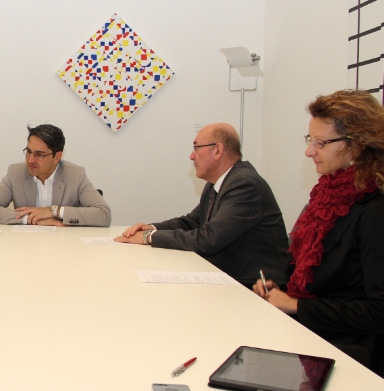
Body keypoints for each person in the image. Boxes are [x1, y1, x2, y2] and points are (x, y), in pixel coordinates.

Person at [252, 90, 384, 369]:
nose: (309, 151)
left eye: (320, 142)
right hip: (314, 339)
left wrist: (295, 305)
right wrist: (283, 291)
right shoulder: (327, 196)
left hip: (353, 357)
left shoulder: (375, 210)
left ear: (356, 145)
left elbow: (378, 312)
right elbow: (324, 283)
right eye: (310, 140)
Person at [117, 123, 288, 288]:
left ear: (218, 150)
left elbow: (209, 239)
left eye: (196, 148)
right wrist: (151, 228)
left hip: (256, 288)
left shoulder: (244, 185)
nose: (191, 156)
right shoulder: (217, 184)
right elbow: (191, 222)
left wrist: (149, 237)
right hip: (228, 278)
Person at [0, 124, 111, 226]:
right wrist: (30, 219)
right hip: (24, 245)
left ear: (57, 156)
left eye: (39, 155)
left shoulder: (75, 175)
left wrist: (54, 211)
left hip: (64, 245)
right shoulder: (15, 173)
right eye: (28, 152)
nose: (30, 160)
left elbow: (104, 215)